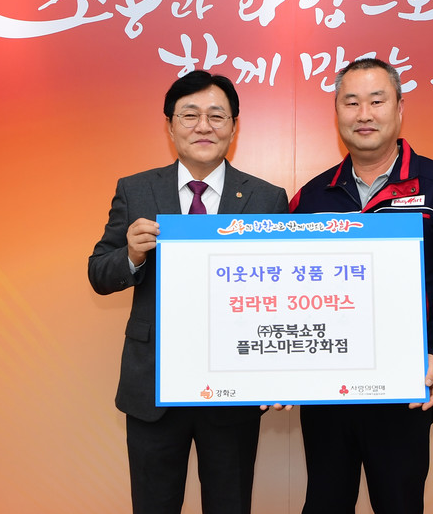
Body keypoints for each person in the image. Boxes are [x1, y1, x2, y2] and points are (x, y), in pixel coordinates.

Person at [289, 58, 433, 513]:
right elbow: (289, 296)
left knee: (399, 503)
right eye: (351, 102)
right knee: (324, 503)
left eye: (377, 101)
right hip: (327, 391)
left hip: (403, 389)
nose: (364, 114)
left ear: (399, 109)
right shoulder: (310, 199)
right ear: (336, 112)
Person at [88, 70, 288, 514]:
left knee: (230, 504)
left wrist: (279, 372)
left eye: (217, 116)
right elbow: (98, 273)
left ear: (234, 126)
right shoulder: (136, 189)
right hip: (153, 387)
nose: (204, 126)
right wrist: (131, 255)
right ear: (170, 125)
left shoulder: (267, 199)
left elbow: (281, 294)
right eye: (190, 115)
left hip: (234, 388)